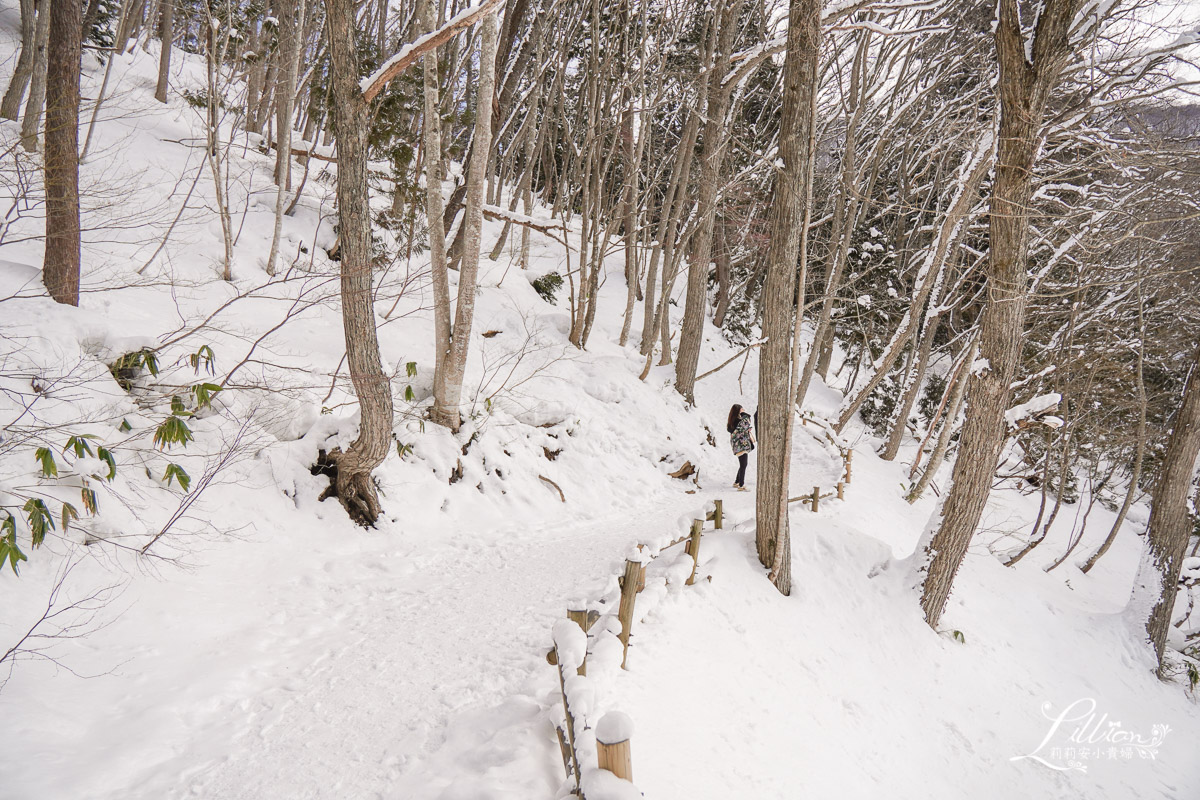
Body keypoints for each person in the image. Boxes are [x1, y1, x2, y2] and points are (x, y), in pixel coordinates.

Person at [727, 403, 756, 490]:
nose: (743, 409)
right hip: (741, 445)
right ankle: (741, 485)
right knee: (743, 464)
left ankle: (737, 482)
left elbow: (739, 431)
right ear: (738, 410)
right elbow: (746, 421)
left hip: (737, 445)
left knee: (743, 464)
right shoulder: (740, 420)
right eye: (742, 408)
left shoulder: (733, 421)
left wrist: (747, 430)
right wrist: (744, 414)